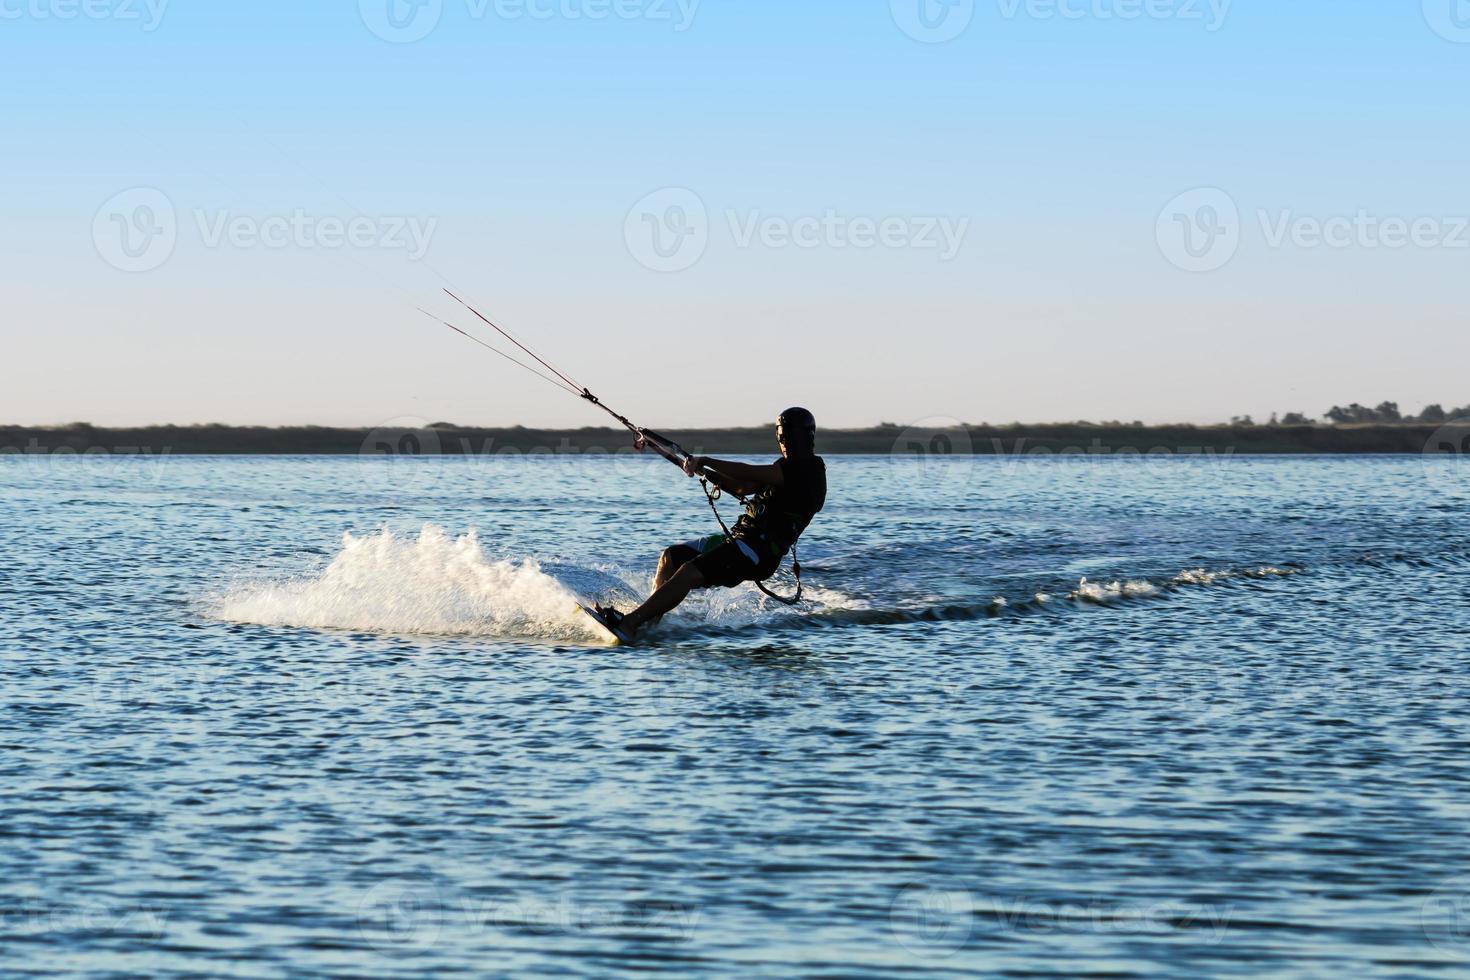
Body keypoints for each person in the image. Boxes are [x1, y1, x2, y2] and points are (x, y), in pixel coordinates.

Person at [595, 408, 827, 642]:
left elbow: (750, 472)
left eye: (788, 436)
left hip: (757, 552)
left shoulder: (808, 471)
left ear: (805, 436)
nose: (784, 441)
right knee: (671, 558)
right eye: (781, 436)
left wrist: (706, 460)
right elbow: (743, 487)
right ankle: (648, 623)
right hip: (740, 540)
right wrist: (706, 473)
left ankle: (630, 623)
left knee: (689, 573)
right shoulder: (785, 467)